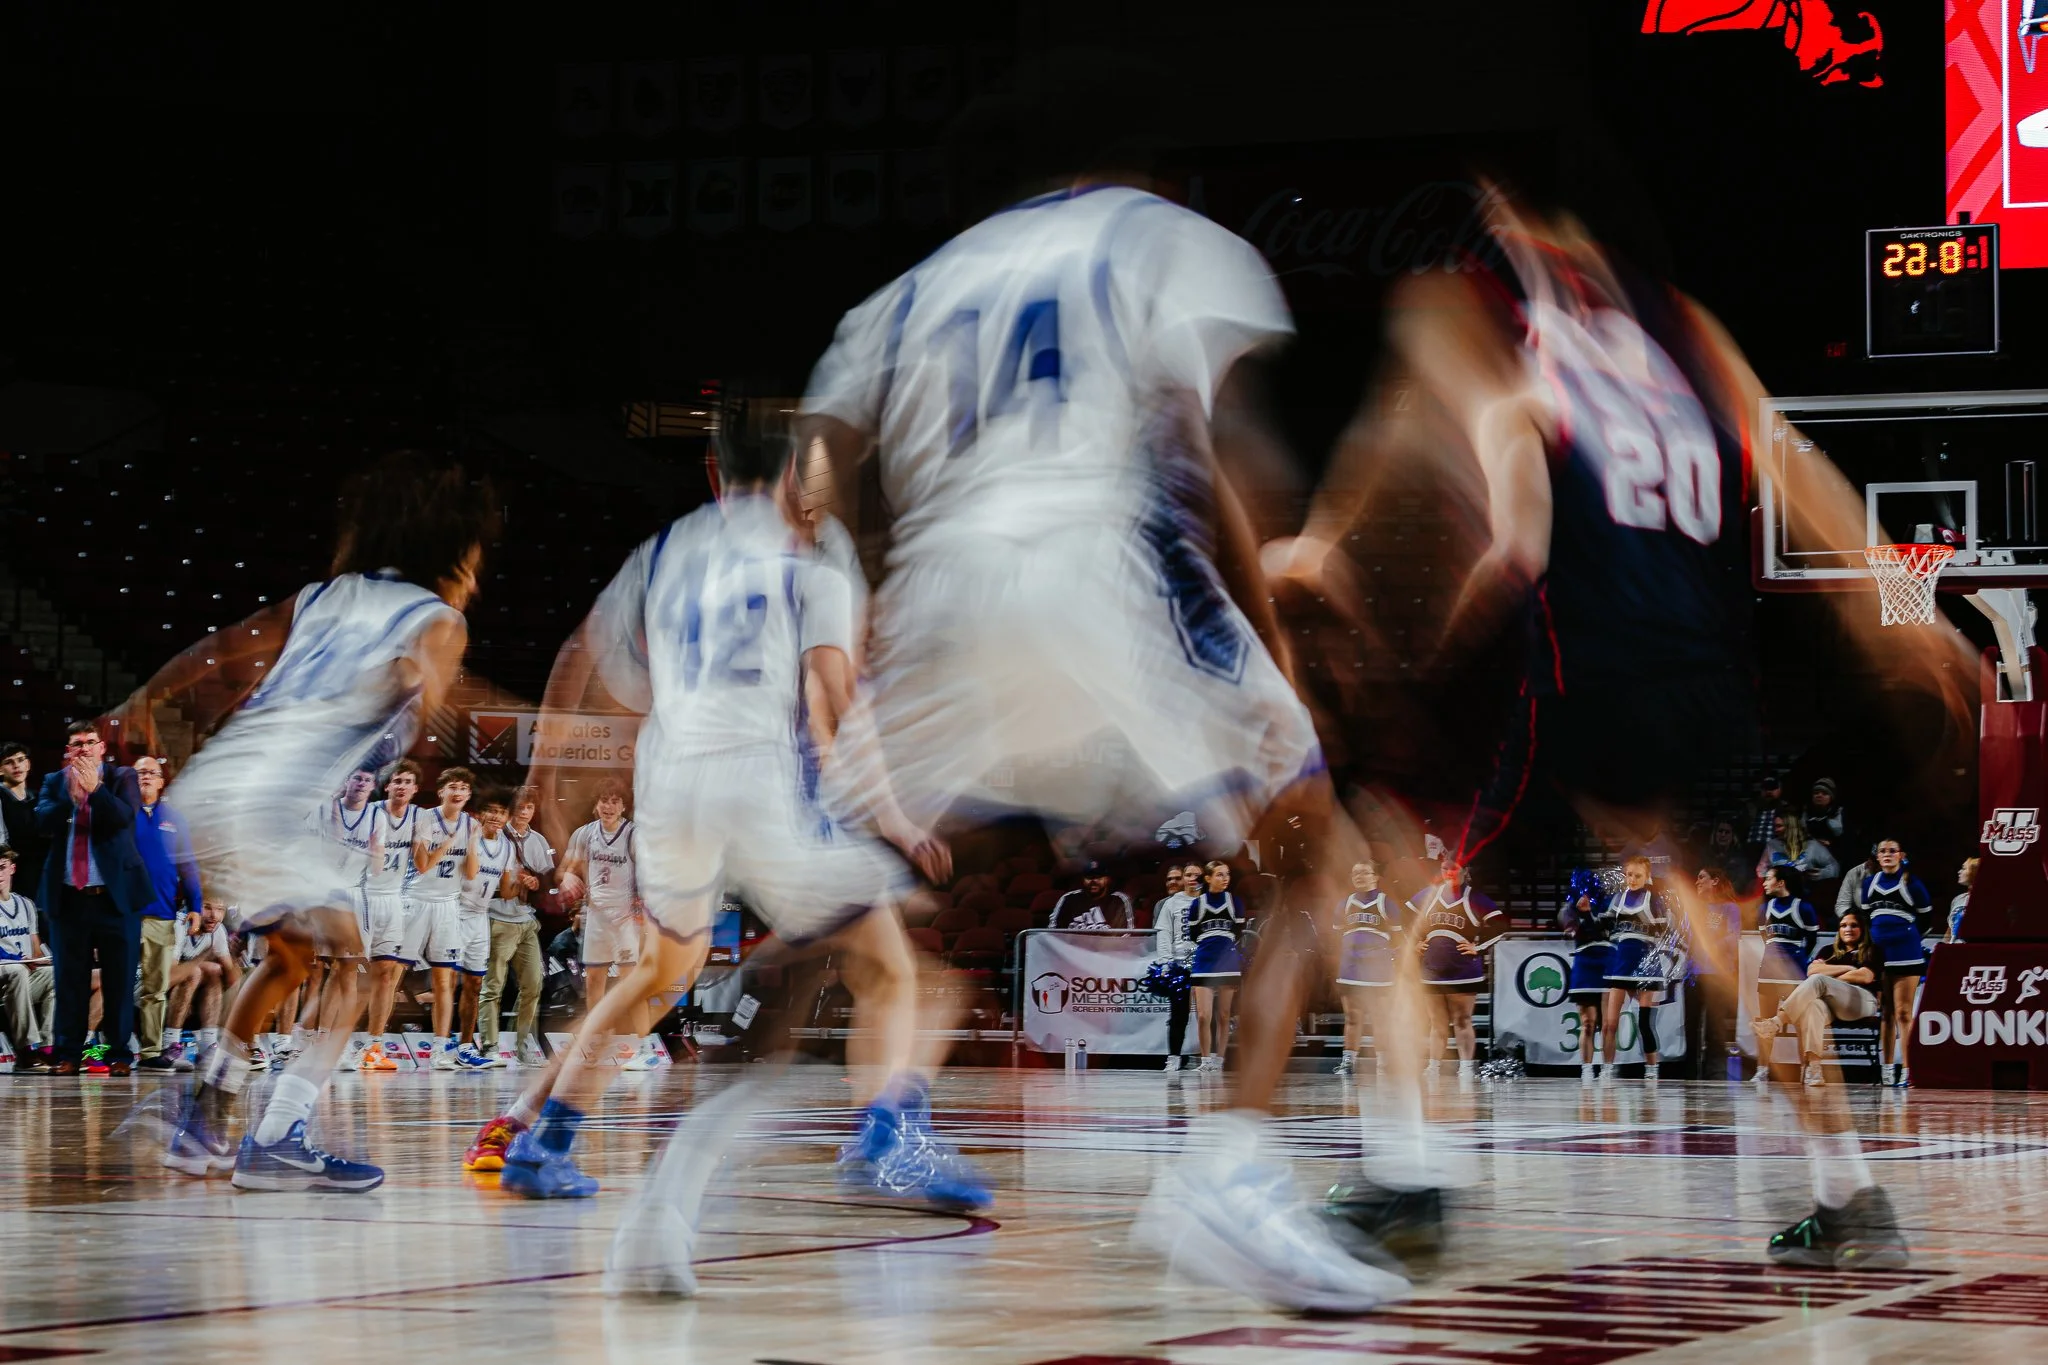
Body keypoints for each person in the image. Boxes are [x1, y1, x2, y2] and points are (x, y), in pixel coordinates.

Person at [801, 58, 1406, 1311]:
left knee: (883, 891)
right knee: (1313, 855)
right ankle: (1226, 1177)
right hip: (1101, 564)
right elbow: (1201, 454)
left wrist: (867, 650)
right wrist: (1273, 653)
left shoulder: (900, 294)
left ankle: (682, 1138)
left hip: (936, 590)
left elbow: (833, 489)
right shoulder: (1151, 233)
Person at [465, 414, 983, 1256]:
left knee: (657, 971)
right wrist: (891, 816)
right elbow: (834, 701)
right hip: (758, 779)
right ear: (794, 479)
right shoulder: (813, 548)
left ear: (713, 469)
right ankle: (885, 1147)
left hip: (671, 784)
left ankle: (543, 1142)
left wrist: (541, 777)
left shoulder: (664, 550)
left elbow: (576, 657)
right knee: (893, 970)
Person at [147, 447, 492, 1189]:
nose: (475, 574)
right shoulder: (436, 620)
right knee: (353, 962)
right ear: (447, 555)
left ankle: (205, 1122)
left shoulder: (322, 595)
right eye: (472, 558)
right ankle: (277, 1136)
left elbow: (220, 652)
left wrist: (140, 705)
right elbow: (411, 691)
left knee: (291, 957)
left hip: (215, 785)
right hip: (276, 796)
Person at [1753, 908, 1907, 1269]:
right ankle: (1815, 1068)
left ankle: (1776, 1023)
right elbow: (1811, 970)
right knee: (1816, 1007)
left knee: (1818, 989)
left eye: (1853, 925)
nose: (1848, 928)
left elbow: (1866, 975)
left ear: (1862, 930)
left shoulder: (1871, 951)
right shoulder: (1829, 951)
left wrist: (1834, 973)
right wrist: (1841, 970)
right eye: (1843, 925)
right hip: (1837, 996)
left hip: (1863, 1001)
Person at [34, 721, 151, 1075]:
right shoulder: (55, 782)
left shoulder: (122, 777)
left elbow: (123, 817)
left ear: (101, 748)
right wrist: (71, 799)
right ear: (67, 751)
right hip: (69, 897)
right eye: (76, 744)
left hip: (114, 898)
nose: (83, 749)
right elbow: (40, 822)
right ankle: (69, 1054)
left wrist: (95, 789)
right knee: (69, 980)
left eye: (89, 742)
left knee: (119, 978)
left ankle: (118, 1055)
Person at [561, 778, 660, 1071]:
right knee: (594, 983)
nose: (609, 806)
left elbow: (649, 876)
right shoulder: (584, 834)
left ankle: (642, 1046)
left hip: (626, 917)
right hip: (595, 916)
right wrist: (567, 876)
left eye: (615, 801)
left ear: (624, 806)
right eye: (604, 800)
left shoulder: (633, 835)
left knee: (631, 984)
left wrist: (644, 911)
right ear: (596, 804)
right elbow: (566, 868)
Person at [404, 766, 480, 1071]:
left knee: (444, 979)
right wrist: (446, 845)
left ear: (468, 794)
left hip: (448, 904)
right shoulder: (424, 818)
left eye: (463, 788)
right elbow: (421, 865)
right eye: (453, 787)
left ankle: (439, 1048)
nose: (458, 792)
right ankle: (372, 1044)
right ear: (442, 792)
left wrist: (471, 843)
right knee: (389, 974)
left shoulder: (470, 824)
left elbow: (471, 873)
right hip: (416, 900)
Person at [132, 754, 204, 1072]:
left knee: (155, 988)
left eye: (152, 772)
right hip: (122, 914)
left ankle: (149, 1052)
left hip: (161, 913)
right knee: (115, 985)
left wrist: (196, 907)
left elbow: (188, 867)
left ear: (162, 781)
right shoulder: (120, 814)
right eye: (139, 772)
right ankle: (110, 1049)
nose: (145, 776)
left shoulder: (176, 819)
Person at [353, 759, 423, 1071]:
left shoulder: (420, 817)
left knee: (385, 976)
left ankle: (373, 1047)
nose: (402, 786)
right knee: (349, 976)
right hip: (363, 894)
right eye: (397, 781)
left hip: (394, 900)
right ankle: (329, 1041)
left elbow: (422, 864)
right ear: (387, 786)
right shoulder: (371, 812)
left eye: (408, 781)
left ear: (415, 788)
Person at [1409, 860, 1507, 1078]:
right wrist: (1414, 942)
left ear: (1465, 870)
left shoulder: (1474, 897)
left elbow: (1501, 925)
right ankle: (1434, 1065)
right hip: (1432, 970)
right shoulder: (1429, 894)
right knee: (1437, 1023)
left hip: (1463, 970)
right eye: (1445, 868)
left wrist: (1479, 947)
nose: (1449, 872)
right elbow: (1404, 918)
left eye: (1454, 868)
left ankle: (1465, 1066)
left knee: (1462, 1020)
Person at [1849, 837, 1933, 1088]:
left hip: (1906, 951)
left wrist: (1906, 935)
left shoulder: (1911, 882)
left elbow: (1926, 919)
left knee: (1904, 1013)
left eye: (1892, 851)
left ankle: (1908, 1071)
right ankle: (1886, 1072)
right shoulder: (1869, 883)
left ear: (1901, 855)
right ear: (1877, 857)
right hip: (1880, 953)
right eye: (1882, 851)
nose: (1887, 855)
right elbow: (1866, 915)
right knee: (1885, 1013)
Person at [481, 784, 553, 1067]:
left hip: (526, 919)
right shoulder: (495, 835)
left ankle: (522, 1045)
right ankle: (489, 1046)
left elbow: (547, 881)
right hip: (497, 916)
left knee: (534, 985)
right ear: (511, 809)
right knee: (493, 987)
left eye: (530, 807)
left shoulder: (538, 840)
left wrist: (536, 883)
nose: (525, 812)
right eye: (520, 806)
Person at [320, 765, 380, 1072]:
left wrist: (375, 854)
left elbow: (378, 866)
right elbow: (330, 844)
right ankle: (308, 1041)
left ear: (372, 787)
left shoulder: (375, 815)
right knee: (311, 971)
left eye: (367, 780)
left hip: (354, 896)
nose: (361, 783)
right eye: (357, 777)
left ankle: (337, 1044)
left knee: (347, 971)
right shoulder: (325, 808)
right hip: (321, 893)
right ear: (346, 781)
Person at [453, 789, 517, 1067]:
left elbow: (505, 890)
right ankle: (441, 1047)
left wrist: (522, 883)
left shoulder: (508, 846)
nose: (496, 816)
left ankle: (465, 1046)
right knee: (445, 983)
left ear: (507, 817)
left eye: (501, 812)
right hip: (453, 910)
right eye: (490, 810)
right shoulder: (467, 835)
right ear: (479, 814)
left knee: (475, 983)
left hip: (480, 915)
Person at [1602, 856, 1670, 1080]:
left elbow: (1667, 930)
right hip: (1621, 965)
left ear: (1647, 876)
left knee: (1644, 1022)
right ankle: (1607, 1068)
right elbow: (1603, 926)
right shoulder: (1617, 899)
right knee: (1610, 1023)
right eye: (1629, 874)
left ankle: (1652, 1070)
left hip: (1646, 965)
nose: (1632, 879)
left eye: (1638, 875)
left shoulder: (1655, 899)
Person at [1332, 861, 1400, 1079]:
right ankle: (1348, 1062)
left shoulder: (1387, 903)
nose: (1359, 876)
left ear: (1375, 876)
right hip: (1351, 968)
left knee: (1381, 1017)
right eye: (1355, 873)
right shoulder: (1344, 903)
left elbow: (1399, 938)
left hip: (1378, 968)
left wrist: (1390, 958)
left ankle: (1384, 1063)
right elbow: (1336, 935)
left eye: (1364, 872)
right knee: (1352, 1017)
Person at [1756, 864, 1821, 1086]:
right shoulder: (1764, 908)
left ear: (1781, 883)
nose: (1764, 883)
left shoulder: (1804, 908)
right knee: (1765, 1022)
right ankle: (1762, 1069)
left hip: (1794, 973)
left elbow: (1811, 940)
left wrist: (1796, 961)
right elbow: (1765, 937)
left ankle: (1806, 1069)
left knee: (1801, 1023)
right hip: (1768, 972)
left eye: (1768, 879)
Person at [1186, 860, 1246, 1075]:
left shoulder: (1234, 901)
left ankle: (1219, 1059)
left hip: (1227, 962)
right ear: (1208, 878)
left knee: (1224, 1015)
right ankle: (1205, 1060)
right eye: (1219, 874)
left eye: (1227, 874)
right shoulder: (1197, 904)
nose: (1225, 878)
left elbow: (1239, 930)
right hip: (1204, 962)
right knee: (1203, 1015)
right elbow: (1193, 935)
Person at [0, 846, 54, 1069]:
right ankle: (26, 1049)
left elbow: (35, 946)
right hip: (6, 972)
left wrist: (42, 960)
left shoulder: (25, 904)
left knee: (54, 975)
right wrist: (21, 959)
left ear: (12, 869)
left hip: (22, 974)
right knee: (16, 968)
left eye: (2, 868)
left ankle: (48, 1047)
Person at [1558, 869, 1613, 1082]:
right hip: (1584, 964)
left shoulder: (1609, 904)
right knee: (1587, 1022)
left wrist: (1588, 914)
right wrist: (1576, 921)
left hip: (1607, 963)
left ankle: (1608, 1070)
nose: (1587, 891)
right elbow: (1572, 928)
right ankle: (1587, 1070)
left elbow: (1602, 930)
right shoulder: (1569, 908)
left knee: (1608, 1024)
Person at [165, 900, 239, 1058]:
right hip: (152, 988)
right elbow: (167, 978)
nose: (214, 915)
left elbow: (232, 977)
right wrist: (201, 959)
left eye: (220, 909)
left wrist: (236, 954)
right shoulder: (180, 925)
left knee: (214, 973)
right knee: (195, 972)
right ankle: (170, 1043)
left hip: (189, 991)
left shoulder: (218, 930)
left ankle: (209, 1043)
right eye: (207, 908)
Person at [1690, 866, 1741, 1079]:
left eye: (1702, 877)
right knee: (1691, 1025)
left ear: (1715, 881)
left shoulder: (1729, 908)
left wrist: (1712, 945)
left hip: (1718, 974)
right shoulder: (1694, 907)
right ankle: (1690, 1072)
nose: (1697, 882)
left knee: (1715, 1026)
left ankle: (1716, 1073)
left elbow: (1734, 938)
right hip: (1692, 973)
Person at [1151, 863, 1196, 1073]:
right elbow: (1164, 933)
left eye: (1196, 875)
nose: (1191, 879)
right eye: (1188, 875)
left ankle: (1211, 1058)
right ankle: (1174, 1057)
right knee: (1178, 1014)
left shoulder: (1206, 900)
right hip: (1179, 965)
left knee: (1208, 1015)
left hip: (1205, 964)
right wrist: (1166, 962)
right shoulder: (1171, 903)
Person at [0, 742, 46, 924]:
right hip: (13, 876)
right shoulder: (2, 797)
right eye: (9, 762)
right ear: (1, 769)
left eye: (20, 760)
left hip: (39, 873)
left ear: (28, 764)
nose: (16, 766)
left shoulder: (40, 797)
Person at [1046, 860, 1135, 930]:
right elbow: (1053, 931)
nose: (1093, 881)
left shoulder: (1119, 900)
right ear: (1082, 880)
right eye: (1089, 877)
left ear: (1107, 879)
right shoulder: (1068, 899)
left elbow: (1126, 933)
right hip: (1072, 950)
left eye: (1099, 877)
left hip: (1107, 951)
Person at [1948, 856, 1976, 945]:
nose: (1959, 872)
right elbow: (1949, 931)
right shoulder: (1958, 899)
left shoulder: (1987, 902)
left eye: (1964, 869)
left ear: (1975, 872)